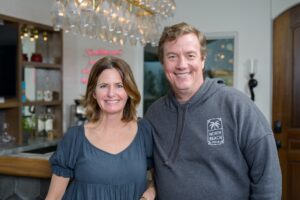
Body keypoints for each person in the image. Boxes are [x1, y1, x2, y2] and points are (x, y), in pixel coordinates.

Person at [145, 22, 282, 200]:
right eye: (172, 56)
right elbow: (142, 168)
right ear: (163, 63)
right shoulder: (155, 114)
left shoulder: (237, 106)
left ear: (202, 60)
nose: (182, 64)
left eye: (190, 55)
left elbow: (267, 179)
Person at [46, 56, 155, 200]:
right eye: (103, 86)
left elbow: (160, 179)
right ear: (93, 93)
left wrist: (148, 196)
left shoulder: (144, 131)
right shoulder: (75, 138)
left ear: (128, 92)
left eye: (119, 85)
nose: (111, 93)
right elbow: (54, 197)